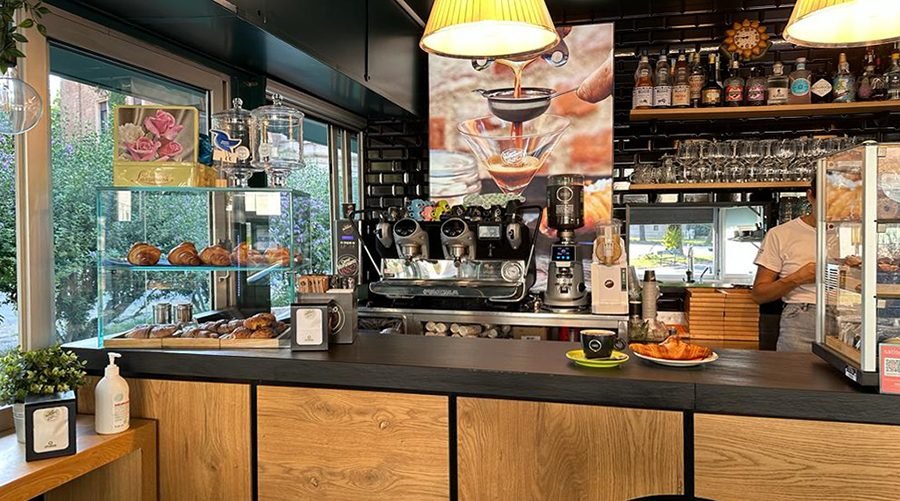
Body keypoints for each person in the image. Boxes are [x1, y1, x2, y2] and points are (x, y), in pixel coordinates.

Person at [751, 178, 817, 352]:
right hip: (802, 316)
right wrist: (797, 278)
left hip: (854, 317)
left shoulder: (864, 232)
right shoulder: (781, 234)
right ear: (810, 196)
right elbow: (759, 295)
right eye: (830, 200)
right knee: (794, 369)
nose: (838, 207)